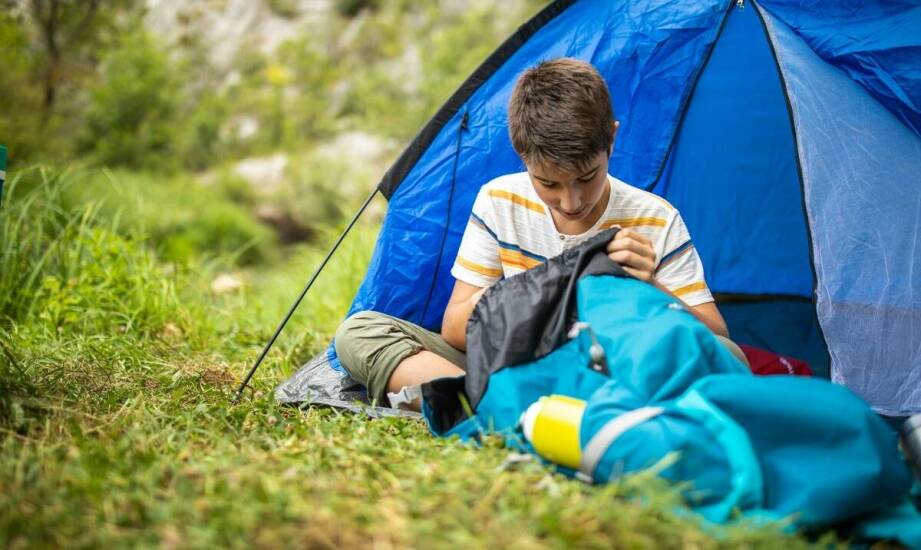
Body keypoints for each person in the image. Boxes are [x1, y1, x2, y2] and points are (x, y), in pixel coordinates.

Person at [335, 58, 742, 411]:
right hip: (514, 364)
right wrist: (534, 289)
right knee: (359, 332)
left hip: (609, 367)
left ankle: (489, 408)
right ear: (522, 155)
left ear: (612, 140)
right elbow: (455, 329)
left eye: (587, 177)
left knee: (730, 357)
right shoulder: (499, 201)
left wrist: (651, 286)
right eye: (548, 183)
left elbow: (715, 336)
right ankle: (529, 410)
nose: (570, 202)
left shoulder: (656, 219)